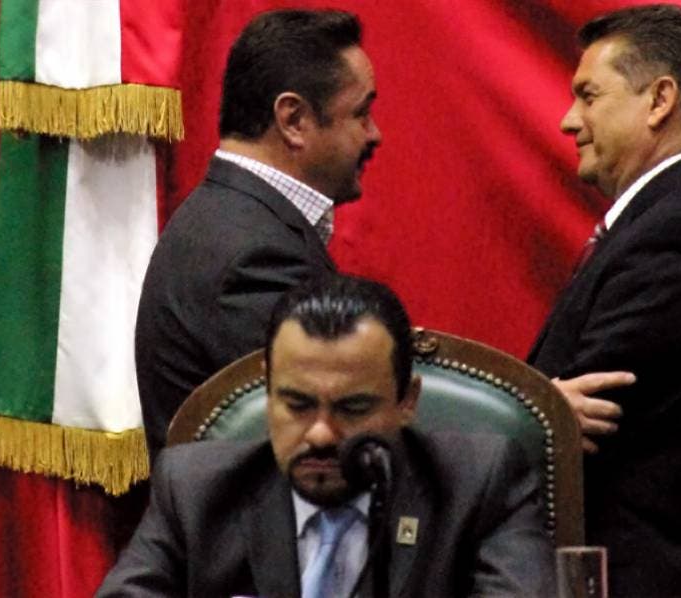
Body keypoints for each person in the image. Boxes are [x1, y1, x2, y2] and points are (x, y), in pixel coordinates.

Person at [100, 275, 555, 597]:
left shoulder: (478, 485)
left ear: (407, 401)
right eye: (297, 405)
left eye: (352, 408)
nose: (320, 434)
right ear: (268, 392)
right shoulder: (195, 490)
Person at [528, 5, 681, 596]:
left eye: (588, 95)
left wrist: (526, 409)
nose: (568, 120)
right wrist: (540, 404)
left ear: (660, 100)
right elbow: (557, 406)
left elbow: (581, 419)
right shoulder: (670, 217)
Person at [135, 9, 383, 464]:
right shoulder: (255, 259)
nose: (375, 134)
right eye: (361, 113)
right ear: (293, 120)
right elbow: (333, 431)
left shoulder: (231, 219)